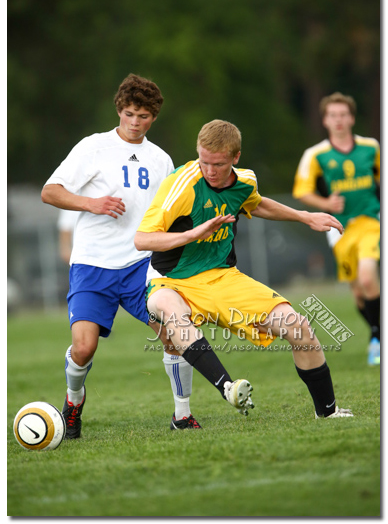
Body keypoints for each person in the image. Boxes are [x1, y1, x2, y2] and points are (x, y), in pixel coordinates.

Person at [134, 119, 353, 419]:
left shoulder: (246, 180)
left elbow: (256, 203)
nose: (209, 170)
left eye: (219, 164)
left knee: (297, 326)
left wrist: (305, 217)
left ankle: (327, 414)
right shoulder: (181, 184)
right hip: (171, 281)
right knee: (170, 313)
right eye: (204, 161)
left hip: (222, 277)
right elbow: (142, 239)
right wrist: (192, 234)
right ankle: (227, 387)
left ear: (235, 158)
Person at [41, 73, 200, 438]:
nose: (134, 122)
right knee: (83, 348)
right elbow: (50, 192)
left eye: (142, 116)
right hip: (92, 263)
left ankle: (182, 414)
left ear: (154, 117)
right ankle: (73, 403)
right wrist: (91, 203)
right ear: (119, 110)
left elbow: (170, 211)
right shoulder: (92, 147)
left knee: (172, 332)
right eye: (129, 113)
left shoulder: (161, 159)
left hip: (140, 265)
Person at [293, 92, 380, 366]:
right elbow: (302, 192)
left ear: (352, 118)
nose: (339, 120)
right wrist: (326, 202)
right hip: (339, 229)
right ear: (325, 120)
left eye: (343, 114)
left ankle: (377, 338)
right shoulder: (315, 154)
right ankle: (377, 333)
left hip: (371, 221)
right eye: (333, 115)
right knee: (358, 291)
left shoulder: (371, 147)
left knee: (368, 278)